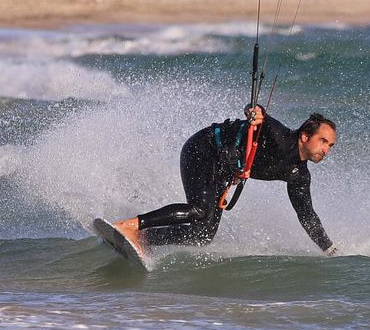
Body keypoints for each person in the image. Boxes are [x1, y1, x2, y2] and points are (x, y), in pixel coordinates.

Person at [107, 105, 339, 260]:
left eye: (330, 146)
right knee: (199, 209)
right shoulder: (280, 137)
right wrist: (255, 112)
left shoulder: (298, 175)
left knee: (203, 235)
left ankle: (145, 240)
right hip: (203, 148)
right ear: (305, 136)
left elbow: (307, 217)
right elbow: (261, 116)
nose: (326, 150)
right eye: (323, 142)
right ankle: (130, 225)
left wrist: (329, 250)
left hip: (221, 170)